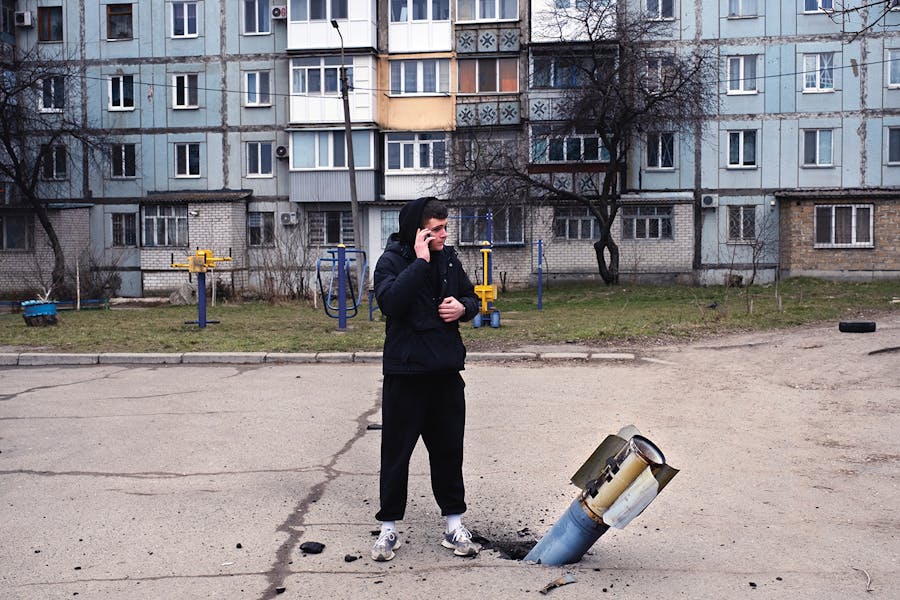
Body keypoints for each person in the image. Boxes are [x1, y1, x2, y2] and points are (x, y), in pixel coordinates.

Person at [370, 197, 481, 562]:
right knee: (396, 455)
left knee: (449, 452)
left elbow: (470, 295)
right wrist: (420, 261)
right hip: (405, 374)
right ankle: (388, 529)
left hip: (446, 373)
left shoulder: (449, 259)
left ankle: (453, 524)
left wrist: (465, 308)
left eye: (445, 228)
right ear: (417, 230)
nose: (444, 235)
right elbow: (391, 303)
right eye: (436, 230)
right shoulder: (391, 261)